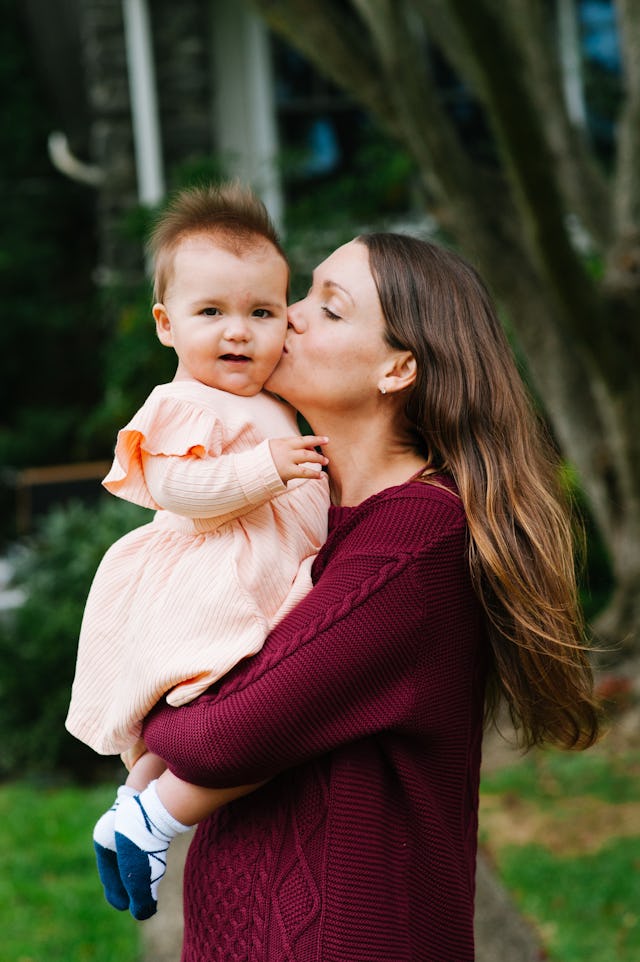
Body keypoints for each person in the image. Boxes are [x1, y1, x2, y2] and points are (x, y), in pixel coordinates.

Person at [123, 231, 600, 961]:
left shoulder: (417, 534)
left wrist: (140, 687)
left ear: (398, 368)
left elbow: (218, 734)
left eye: (332, 309)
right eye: (305, 292)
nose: (293, 314)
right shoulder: (300, 517)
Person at [65, 182, 330, 920]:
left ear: (287, 320)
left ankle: (133, 812)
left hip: (266, 567)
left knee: (222, 710)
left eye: (261, 312)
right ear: (166, 324)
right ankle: (150, 818)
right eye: (211, 313)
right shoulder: (186, 400)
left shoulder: (270, 395)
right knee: (236, 707)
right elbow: (176, 485)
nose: (238, 333)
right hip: (216, 576)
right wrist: (263, 469)